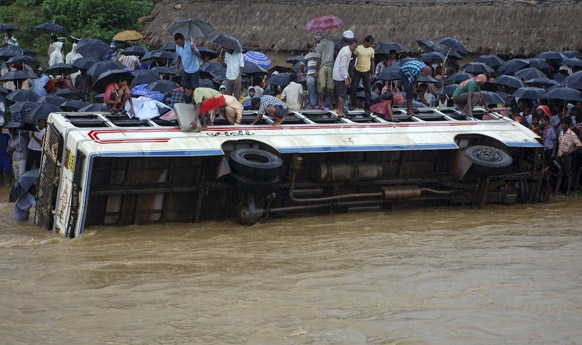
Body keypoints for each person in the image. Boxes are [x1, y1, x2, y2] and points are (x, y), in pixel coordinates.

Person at [554, 117, 582, 195]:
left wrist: (570, 152)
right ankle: (557, 191)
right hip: (560, 155)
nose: (561, 125)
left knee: (568, 174)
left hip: (567, 156)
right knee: (559, 174)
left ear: (567, 125)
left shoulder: (572, 134)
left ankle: (568, 191)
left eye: (563, 124)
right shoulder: (560, 132)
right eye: (561, 124)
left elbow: (579, 145)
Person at [333, 38, 358, 117]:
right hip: (339, 75)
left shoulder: (347, 50)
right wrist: (345, 77)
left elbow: (345, 66)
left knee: (341, 94)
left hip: (340, 74)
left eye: (356, 47)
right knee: (342, 95)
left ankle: (339, 109)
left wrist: (347, 76)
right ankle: (340, 111)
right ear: (350, 45)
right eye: (354, 46)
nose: (355, 48)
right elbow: (342, 66)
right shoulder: (346, 52)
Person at [350, 35, 375, 112]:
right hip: (357, 70)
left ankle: (367, 107)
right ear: (366, 42)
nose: (371, 45)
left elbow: (372, 61)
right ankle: (353, 105)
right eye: (370, 43)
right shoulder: (358, 48)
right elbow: (353, 59)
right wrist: (353, 69)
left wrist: (372, 73)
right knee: (354, 88)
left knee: (367, 89)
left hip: (367, 71)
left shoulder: (371, 50)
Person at [314, 31, 335, 110]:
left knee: (321, 86)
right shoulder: (331, 43)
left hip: (323, 66)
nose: (315, 39)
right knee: (330, 86)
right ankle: (331, 105)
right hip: (331, 66)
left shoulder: (319, 45)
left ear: (319, 38)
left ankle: (322, 104)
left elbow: (318, 59)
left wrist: (316, 71)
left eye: (315, 38)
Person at [300, 42, 320, 109]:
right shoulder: (319, 55)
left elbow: (301, 65)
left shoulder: (307, 56)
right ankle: (319, 106)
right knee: (319, 91)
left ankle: (313, 107)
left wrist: (303, 72)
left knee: (311, 92)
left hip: (310, 76)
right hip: (318, 75)